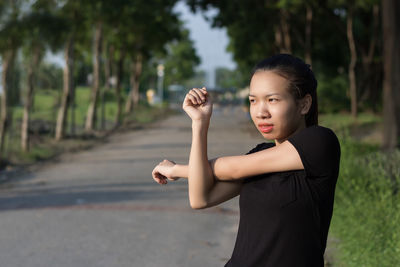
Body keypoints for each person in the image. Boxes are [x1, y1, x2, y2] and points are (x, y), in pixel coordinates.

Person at [151, 54, 341, 267]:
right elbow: (200, 198)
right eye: (253, 101)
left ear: (304, 104)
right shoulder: (259, 154)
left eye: (272, 100)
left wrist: (177, 170)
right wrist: (199, 123)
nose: (260, 112)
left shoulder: (319, 143)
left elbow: (230, 168)